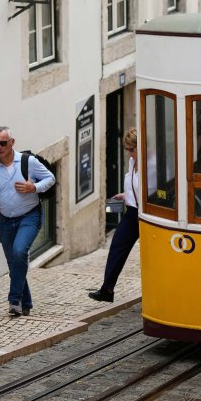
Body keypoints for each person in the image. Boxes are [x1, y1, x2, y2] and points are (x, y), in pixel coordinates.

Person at [0, 126, 55, 317]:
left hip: (30, 215)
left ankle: (14, 300)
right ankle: (26, 303)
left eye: (3, 143)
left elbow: (50, 178)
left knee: (20, 251)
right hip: (6, 222)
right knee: (14, 263)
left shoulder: (28, 162)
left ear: (12, 142)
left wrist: (34, 187)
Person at [88, 128, 141, 303]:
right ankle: (107, 290)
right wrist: (126, 195)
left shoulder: (153, 164)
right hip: (132, 213)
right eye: (127, 149)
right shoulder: (133, 162)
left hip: (147, 215)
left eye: (132, 149)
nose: (129, 154)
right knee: (117, 247)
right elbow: (134, 185)